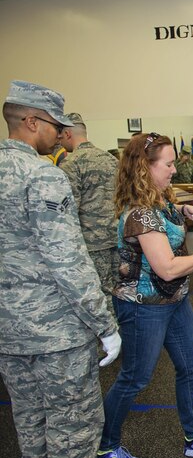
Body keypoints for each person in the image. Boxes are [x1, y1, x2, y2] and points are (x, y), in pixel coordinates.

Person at [0, 80, 122, 458]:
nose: (59, 133)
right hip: (56, 329)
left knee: (29, 423)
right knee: (71, 422)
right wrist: (104, 325)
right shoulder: (43, 175)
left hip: (8, 332)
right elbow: (67, 259)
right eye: (54, 124)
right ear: (31, 122)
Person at [96, 132, 193, 458]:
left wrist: (184, 209)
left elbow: (175, 213)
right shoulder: (140, 214)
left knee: (192, 367)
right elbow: (167, 267)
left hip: (174, 300)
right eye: (168, 164)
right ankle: (105, 447)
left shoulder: (160, 201)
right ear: (145, 167)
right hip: (143, 307)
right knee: (135, 378)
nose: (174, 169)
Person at [58, 112, 121, 319]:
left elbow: (68, 211)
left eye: (60, 135)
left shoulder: (71, 164)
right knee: (119, 291)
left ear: (67, 133)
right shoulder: (111, 159)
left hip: (92, 244)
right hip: (117, 237)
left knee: (99, 294)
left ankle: (110, 343)